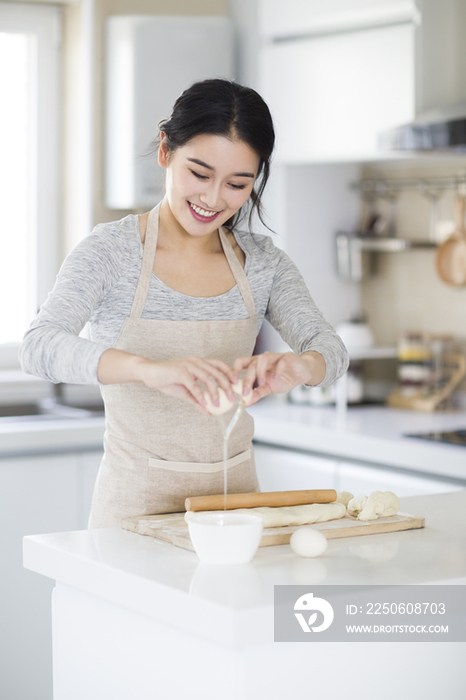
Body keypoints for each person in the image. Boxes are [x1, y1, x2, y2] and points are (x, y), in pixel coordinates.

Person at [19, 79, 349, 528]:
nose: (213, 200)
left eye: (237, 184)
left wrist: (303, 367)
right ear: (165, 151)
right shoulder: (111, 251)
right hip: (132, 514)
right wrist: (148, 369)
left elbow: (329, 348)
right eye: (199, 173)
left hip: (236, 515)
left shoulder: (263, 262)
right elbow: (38, 347)